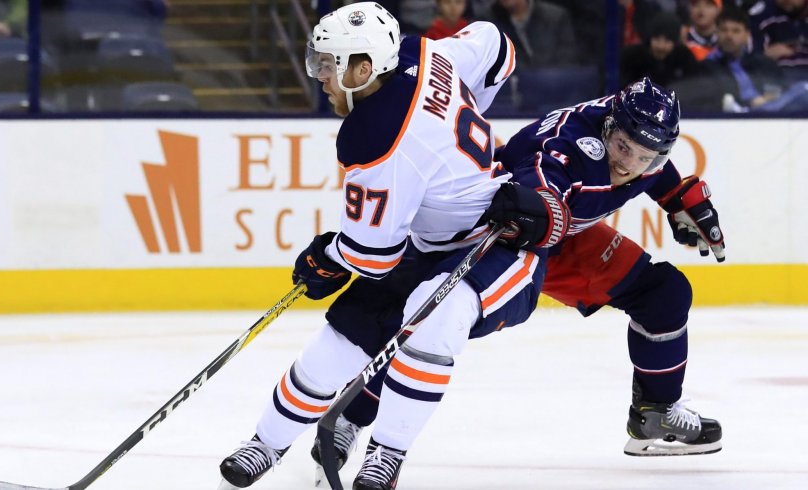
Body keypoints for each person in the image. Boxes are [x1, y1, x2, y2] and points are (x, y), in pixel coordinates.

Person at [216, 3, 569, 489]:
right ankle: (266, 443)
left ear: (364, 69)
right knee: (340, 341)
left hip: (500, 247)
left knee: (432, 318)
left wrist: (327, 259)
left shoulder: (374, 133)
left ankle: (387, 454)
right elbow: (497, 47)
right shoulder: (420, 52)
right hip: (430, 245)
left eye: (329, 65)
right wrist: (461, 112)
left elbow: (371, 256)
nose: (321, 76)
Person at [311, 77, 725, 477]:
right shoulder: (569, 147)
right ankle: (353, 414)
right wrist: (539, 207)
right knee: (432, 325)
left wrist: (679, 198)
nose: (628, 164)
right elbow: (541, 186)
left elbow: (655, 170)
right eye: (622, 148)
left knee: (664, 294)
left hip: (560, 235)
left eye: (645, 157)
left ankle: (655, 413)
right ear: (609, 127)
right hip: (501, 234)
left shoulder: (638, 138)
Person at [683, 7, 808, 112]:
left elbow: (780, 89)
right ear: (717, 33)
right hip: (734, 116)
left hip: (773, 115)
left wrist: (765, 99)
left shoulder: (764, 63)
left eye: (736, 31)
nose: (729, 36)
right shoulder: (707, 67)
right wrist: (749, 102)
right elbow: (710, 99)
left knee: (803, 89)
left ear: (747, 35)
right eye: (724, 30)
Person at [478, 0, 578, 69]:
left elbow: (567, 60)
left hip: (555, 87)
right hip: (511, 92)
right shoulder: (487, 22)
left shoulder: (556, 17)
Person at [621, 11, 698, 87]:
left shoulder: (684, 57)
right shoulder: (631, 57)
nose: (661, 46)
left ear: (675, 42)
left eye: (667, 40)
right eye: (657, 39)